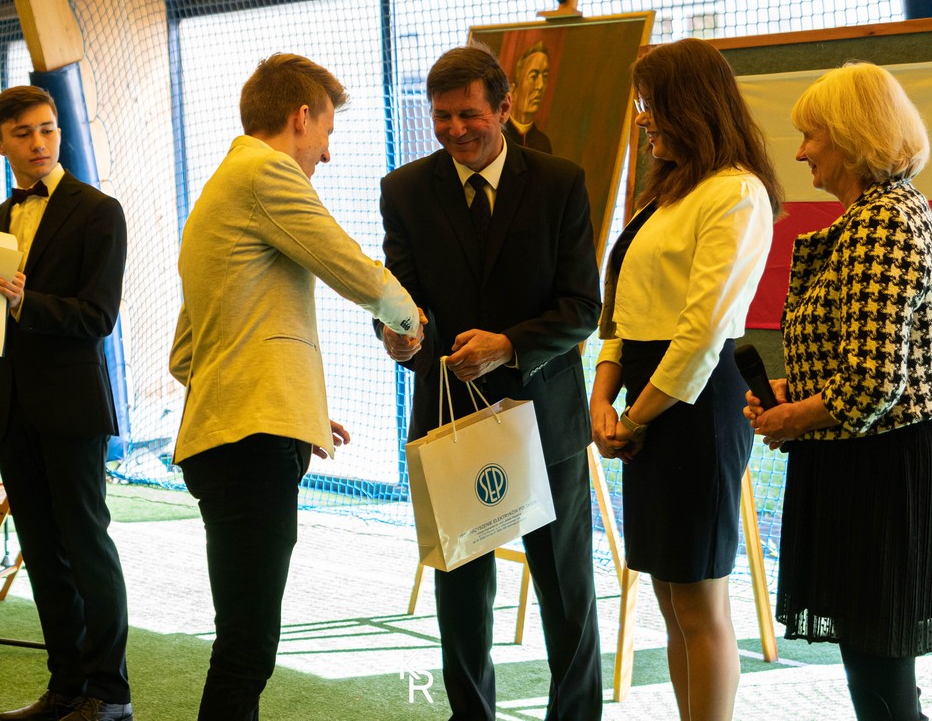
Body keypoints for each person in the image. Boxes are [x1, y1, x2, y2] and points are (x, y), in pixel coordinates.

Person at [169, 53, 421, 720]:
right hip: (248, 446)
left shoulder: (217, 191)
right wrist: (412, 321)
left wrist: (290, 404)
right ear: (300, 117)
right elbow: (352, 268)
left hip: (228, 438)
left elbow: (186, 353)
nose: (328, 154)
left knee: (242, 639)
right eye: (327, 133)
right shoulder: (266, 173)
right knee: (247, 649)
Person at [379, 44, 602, 720]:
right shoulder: (404, 190)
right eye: (441, 116)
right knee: (462, 594)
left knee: (566, 591)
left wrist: (508, 346)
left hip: (546, 418)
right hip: (451, 417)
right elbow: (404, 303)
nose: (454, 130)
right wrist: (401, 337)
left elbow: (581, 307)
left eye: (468, 114)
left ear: (504, 109)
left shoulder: (560, 182)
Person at [745, 62, 932, 721]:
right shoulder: (887, 212)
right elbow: (866, 359)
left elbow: (872, 384)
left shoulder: (881, 222)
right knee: (881, 685)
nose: (801, 152)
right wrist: (795, 390)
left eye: (811, 135)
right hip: (875, 462)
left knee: (883, 694)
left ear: (851, 136)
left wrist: (793, 417)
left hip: (879, 473)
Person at [590, 38, 781, 721]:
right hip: (648, 400)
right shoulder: (667, 192)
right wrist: (601, 397)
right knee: (669, 597)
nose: (643, 118)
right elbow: (623, 310)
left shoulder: (737, 192)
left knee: (699, 600)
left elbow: (701, 331)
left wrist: (634, 416)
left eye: (654, 104)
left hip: (696, 407)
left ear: (691, 105)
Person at [0, 86, 133, 721]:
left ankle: (110, 694)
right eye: (23, 133)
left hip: (73, 404)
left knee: (86, 545)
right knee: (41, 552)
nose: (39, 142)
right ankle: (65, 687)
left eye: (47, 129)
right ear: (0, 144)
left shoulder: (99, 211)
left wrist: (25, 303)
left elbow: (98, 316)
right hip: (12, 406)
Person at [503, 41, 553, 153]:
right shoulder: (497, 135)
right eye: (533, 76)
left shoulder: (543, 144)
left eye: (545, 77)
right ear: (513, 90)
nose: (540, 86)